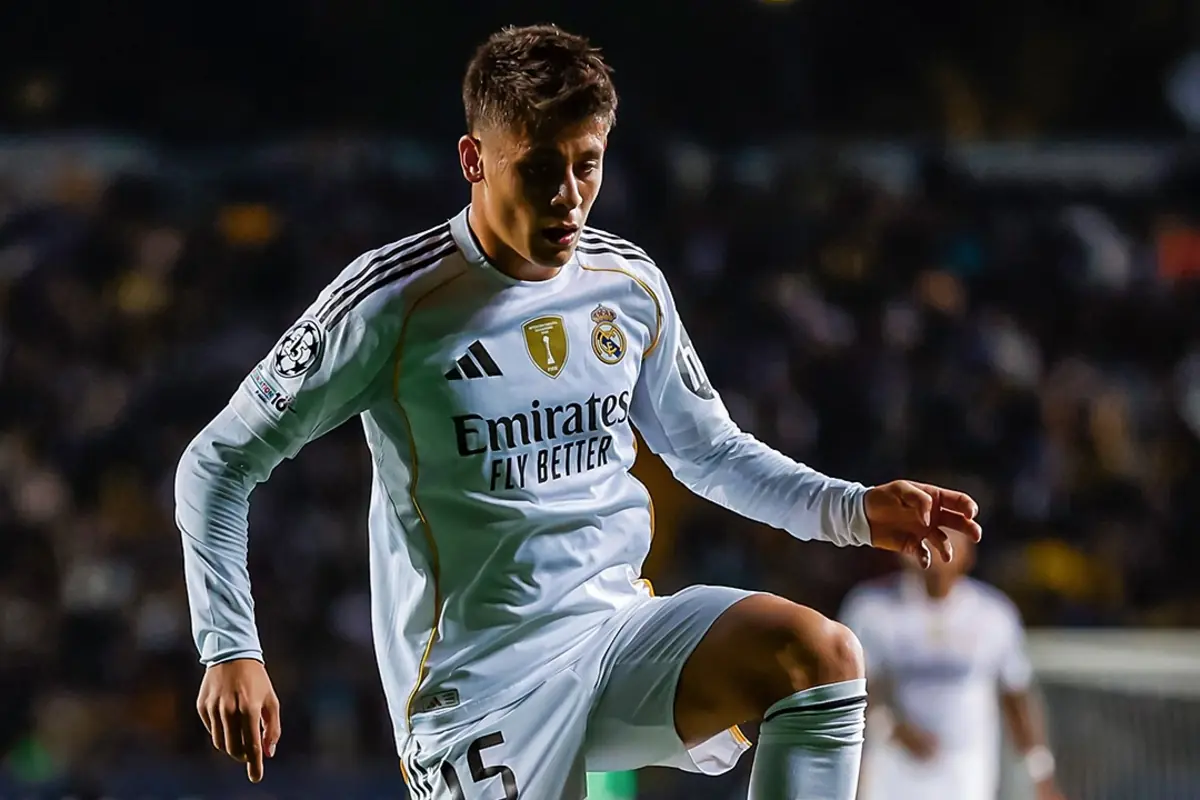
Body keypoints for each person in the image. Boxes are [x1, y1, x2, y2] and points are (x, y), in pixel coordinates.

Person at [175, 24, 982, 799]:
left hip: (616, 636)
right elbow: (217, 464)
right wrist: (231, 647)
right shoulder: (392, 303)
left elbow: (707, 449)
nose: (570, 198)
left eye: (587, 166)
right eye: (539, 169)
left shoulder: (627, 288)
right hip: (475, 694)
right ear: (475, 160)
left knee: (817, 654)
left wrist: (850, 508)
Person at [840, 529, 1064, 800]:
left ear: (968, 554)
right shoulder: (872, 608)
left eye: (944, 544)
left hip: (965, 766)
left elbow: (1015, 695)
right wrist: (891, 727)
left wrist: (1039, 772)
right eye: (926, 543)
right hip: (894, 765)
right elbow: (855, 687)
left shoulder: (993, 614)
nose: (934, 554)